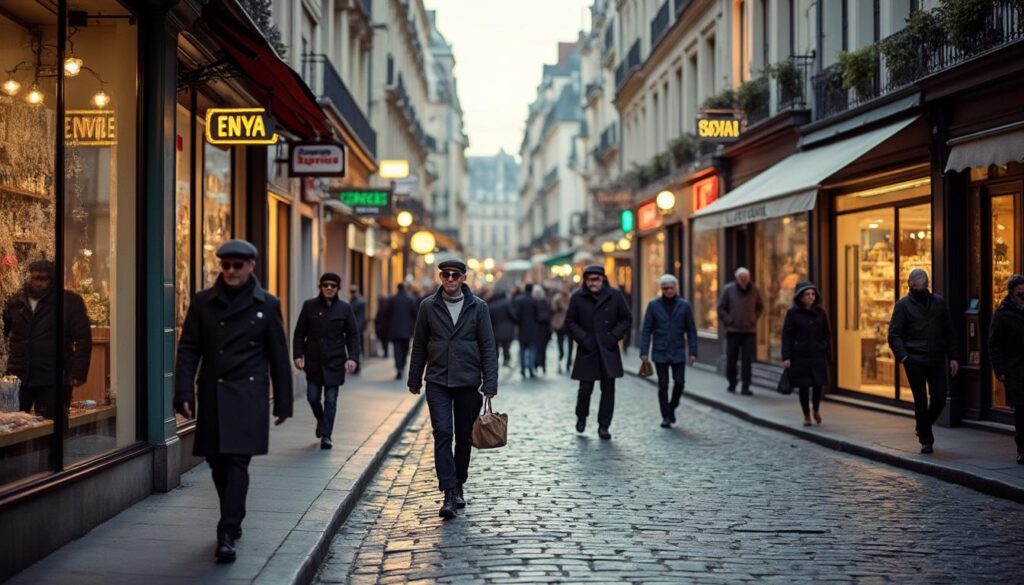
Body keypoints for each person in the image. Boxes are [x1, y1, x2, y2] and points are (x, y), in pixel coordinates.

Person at [173, 239, 292, 562]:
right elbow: (188, 350)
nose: (230, 271)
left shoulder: (268, 304)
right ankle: (233, 513)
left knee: (237, 460)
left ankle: (226, 530)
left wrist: (283, 402)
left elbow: (278, 356)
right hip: (213, 393)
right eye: (225, 265)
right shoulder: (203, 302)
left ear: (251, 266)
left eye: (237, 266)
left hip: (248, 396)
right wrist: (183, 392)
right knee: (216, 461)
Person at [407, 259, 498, 519]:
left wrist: (490, 382)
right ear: (440, 278)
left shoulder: (478, 307)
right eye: (445, 274)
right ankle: (447, 492)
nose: (450, 279)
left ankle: (459, 483)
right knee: (443, 433)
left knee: (464, 436)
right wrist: (415, 378)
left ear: (463, 278)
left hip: (468, 381)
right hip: (438, 381)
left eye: (455, 275)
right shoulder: (428, 306)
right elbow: (420, 344)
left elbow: (488, 346)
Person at [3, 260, 92, 423]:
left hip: (53, 376)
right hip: (20, 375)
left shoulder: (69, 302)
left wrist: (78, 372)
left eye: (43, 279)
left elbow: (83, 338)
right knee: (15, 423)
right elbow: (5, 332)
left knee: (52, 425)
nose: (38, 283)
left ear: (52, 279)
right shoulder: (16, 301)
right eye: (35, 278)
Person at [887, 269, 958, 454]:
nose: (921, 289)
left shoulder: (939, 302)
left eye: (924, 286)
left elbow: (948, 331)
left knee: (940, 398)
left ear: (928, 285)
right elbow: (894, 334)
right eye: (917, 287)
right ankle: (927, 441)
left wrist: (953, 357)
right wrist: (903, 356)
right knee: (920, 400)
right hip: (914, 359)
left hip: (936, 357)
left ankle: (922, 426)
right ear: (910, 285)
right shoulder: (903, 305)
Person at [293, 273, 360, 449]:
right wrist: (298, 355)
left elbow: (353, 335)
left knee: (330, 400)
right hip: (313, 361)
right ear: (320, 287)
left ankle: (326, 435)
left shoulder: (345, 308)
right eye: (325, 285)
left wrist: (353, 358)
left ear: (338, 288)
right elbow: (299, 333)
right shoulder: (309, 306)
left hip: (335, 362)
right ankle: (321, 420)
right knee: (312, 397)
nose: (329, 288)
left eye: (333, 286)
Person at [566, 265, 631, 440]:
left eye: (595, 279)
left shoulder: (615, 296)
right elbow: (570, 321)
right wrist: (583, 339)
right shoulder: (577, 297)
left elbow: (626, 319)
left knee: (608, 390)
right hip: (588, 349)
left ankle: (604, 426)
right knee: (585, 389)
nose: (592, 283)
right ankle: (581, 416)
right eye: (588, 279)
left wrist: (614, 337)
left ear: (603, 279)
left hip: (608, 349)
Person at [639, 274, 697, 429]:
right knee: (663, 385)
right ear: (661, 289)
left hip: (678, 350)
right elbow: (646, 330)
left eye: (671, 288)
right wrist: (644, 352)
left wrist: (692, 352)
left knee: (679, 383)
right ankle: (665, 416)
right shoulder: (653, 305)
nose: (668, 291)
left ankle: (671, 407)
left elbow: (691, 330)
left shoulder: (684, 306)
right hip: (660, 351)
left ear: (676, 288)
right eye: (665, 288)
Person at [781, 281, 831, 427]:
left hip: (817, 354)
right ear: (800, 297)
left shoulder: (820, 312)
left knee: (818, 384)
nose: (810, 297)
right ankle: (806, 414)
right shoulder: (792, 313)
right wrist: (786, 356)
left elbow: (827, 334)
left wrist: (826, 349)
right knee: (804, 386)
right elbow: (787, 336)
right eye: (807, 294)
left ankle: (816, 409)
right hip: (800, 355)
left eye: (813, 294)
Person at [987, 274, 1024, 465]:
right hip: (1015, 370)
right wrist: (1000, 370)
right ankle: (1022, 448)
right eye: (1020, 295)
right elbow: (994, 345)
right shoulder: (1002, 314)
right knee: (1022, 412)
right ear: (1011, 294)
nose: (1023, 299)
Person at [717, 267, 764, 395]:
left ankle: (745, 386)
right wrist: (729, 320)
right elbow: (721, 308)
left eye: (746, 278)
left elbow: (760, 307)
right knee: (731, 359)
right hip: (733, 331)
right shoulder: (728, 289)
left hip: (749, 331)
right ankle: (732, 383)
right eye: (741, 278)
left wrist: (754, 318)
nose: (744, 280)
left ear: (749, 278)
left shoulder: (755, 290)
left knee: (747, 360)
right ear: (737, 279)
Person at [385, 283, 419, 380]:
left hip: (394, 329)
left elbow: (387, 314)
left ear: (397, 289)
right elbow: (415, 314)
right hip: (407, 330)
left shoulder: (392, 299)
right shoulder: (410, 299)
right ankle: (402, 365)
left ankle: (399, 367)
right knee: (405, 349)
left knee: (397, 350)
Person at [511, 284, 541, 379]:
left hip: (522, 328)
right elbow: (538, 315)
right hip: (532, 328)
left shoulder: (519, 300)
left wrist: (518, 323)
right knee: (532, 349)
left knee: (522, 350)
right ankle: (531, 368)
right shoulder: (534, 301)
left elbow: (516, 315)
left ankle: (523, 369)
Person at [488, 288, 516, 367]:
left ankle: (495, 361)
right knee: (506, 347)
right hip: (507, 329)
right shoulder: (507, 303)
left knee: (496, 347)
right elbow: (512, 315)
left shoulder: (491, 305)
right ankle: (506, 360)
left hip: (495, 330)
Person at [551, 284, 573, 373]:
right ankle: (561, 360)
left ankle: (568, 363)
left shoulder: (571, 298)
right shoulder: (557, 298)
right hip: (560, 324)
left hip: (569, 324)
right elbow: (553, 309)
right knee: (561, 346)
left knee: (570, 346)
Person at [533, 285, 553, 375]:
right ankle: (542, 365)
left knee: (539, 349)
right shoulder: (545, 302)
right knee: (542, 349)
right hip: (543, 329)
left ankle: (538, 365)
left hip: (540, 329)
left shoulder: (536, 302)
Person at [349, 285, 367, 372]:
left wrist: (357, 328)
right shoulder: (356, 301)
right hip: (357, 327)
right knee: (356, 346)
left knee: (356, 346)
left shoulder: (359, 302)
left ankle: (357, 365)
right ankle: (356, 364)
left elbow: (360, 317)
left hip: (357, 327)